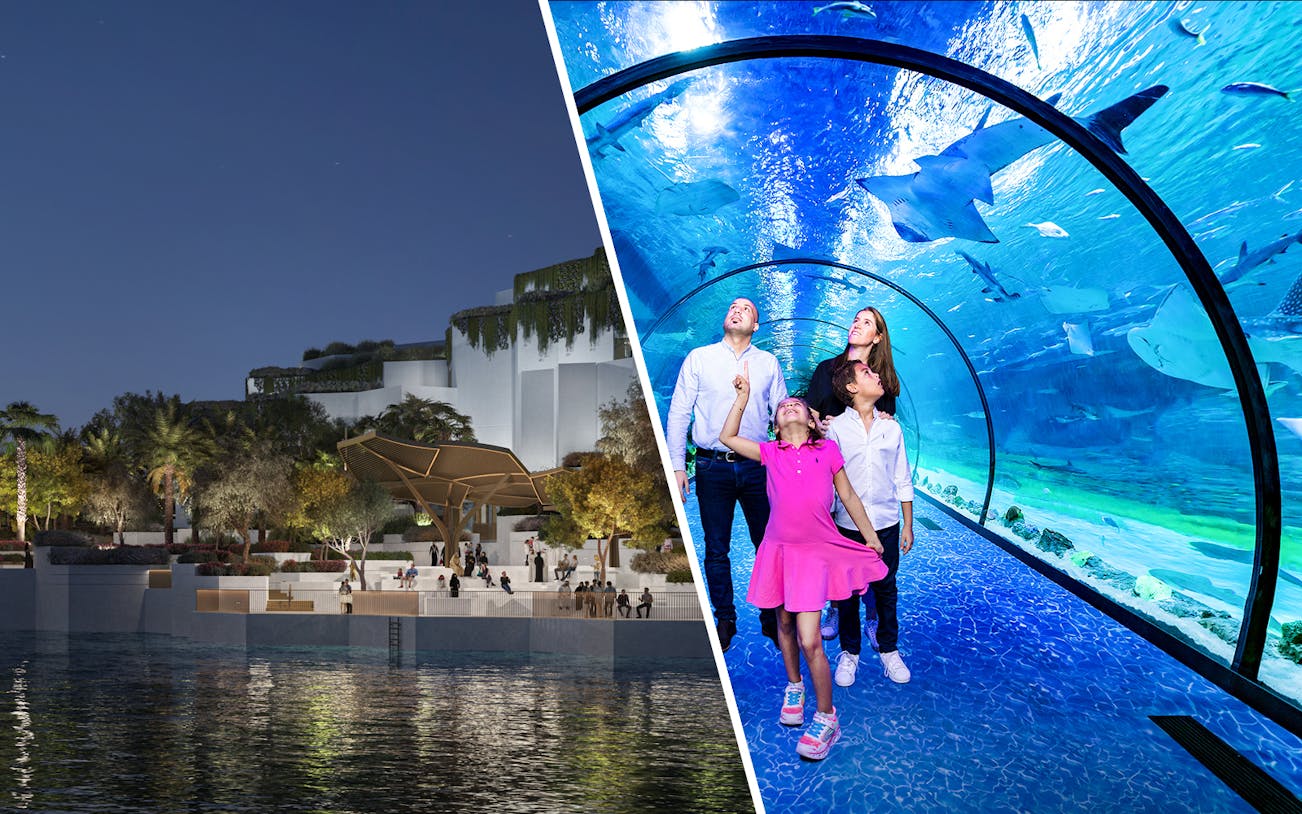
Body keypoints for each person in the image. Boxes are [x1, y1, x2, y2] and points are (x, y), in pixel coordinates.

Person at [719, 363, 887, 761]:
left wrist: (870, 536)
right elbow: (725, 436)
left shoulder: (828, 450)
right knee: (783, 623)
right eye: (783, 407)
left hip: (814, 553)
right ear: (775, 426)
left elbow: (847, 496)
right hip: (778, 552)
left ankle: (827, 717)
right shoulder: (769, 453)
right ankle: (794, 685)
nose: (790, 407)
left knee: (811, 637)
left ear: (813, 422)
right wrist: (742, 399)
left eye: (798, 405)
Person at [666, 297, 788, 652]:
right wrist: (677, 466)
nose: (736, 309)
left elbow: (782, 415)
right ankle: (725, 618)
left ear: (756, 326)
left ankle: (772, 614)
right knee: (716, 549)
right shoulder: (699, 358)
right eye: (732, 306)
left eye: (746, 309)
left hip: (756, 466)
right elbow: (678, 414)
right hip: (710, 466)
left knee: (767, 545)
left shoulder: (768, 363)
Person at [803, 306, 903, 641]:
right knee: (837, 547)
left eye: (866, 323)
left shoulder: (880, 383)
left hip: (866, 481)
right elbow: (809, 417)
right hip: (829, 476)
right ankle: (837, 606)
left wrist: (888, 422)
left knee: (873, 549)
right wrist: (823, 425)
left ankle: (873, 616)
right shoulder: (826, 369)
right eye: (856, 319)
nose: (857, 325)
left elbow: (885, 427)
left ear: (877, 337)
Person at [827, 360, 916, 686]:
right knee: (847, 592)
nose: (877, 375)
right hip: (846, 525)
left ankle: (889, 650)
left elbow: (902, 477)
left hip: (887, 522)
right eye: (867, 373)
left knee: (886, 588)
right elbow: (829, 481)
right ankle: (849, 652)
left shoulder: (891, 427)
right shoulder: (835, 428)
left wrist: (908, 524)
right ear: (852, 388)